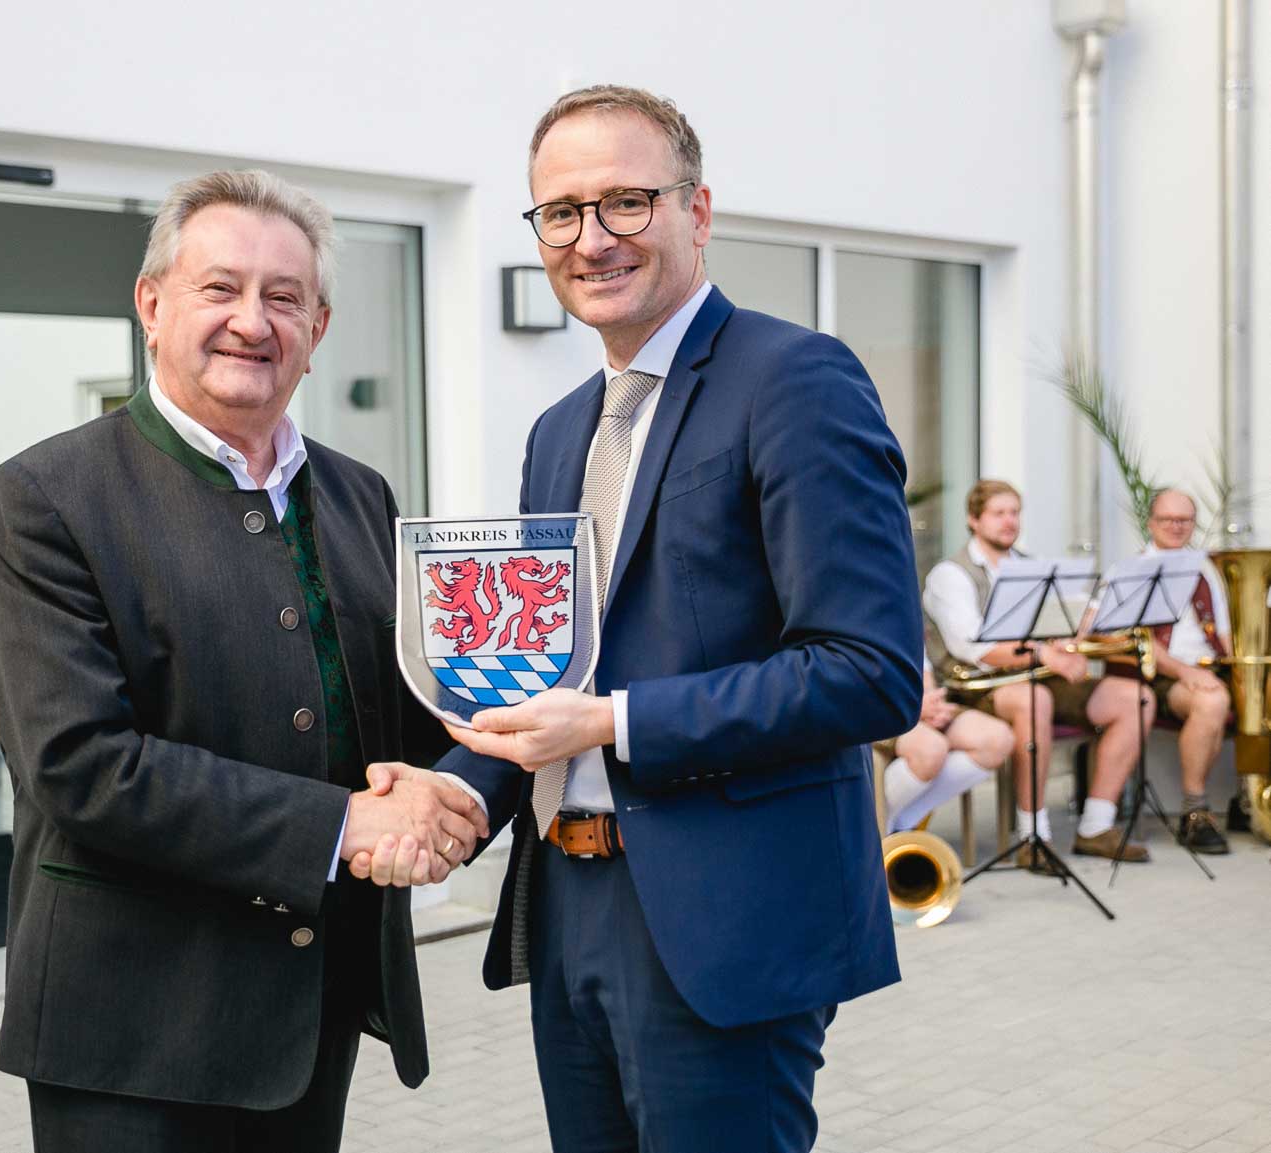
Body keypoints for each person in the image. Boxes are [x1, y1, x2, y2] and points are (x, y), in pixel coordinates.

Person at [361, 85, 922, 1153]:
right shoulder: (555, 429)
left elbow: (867, 670)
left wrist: (614, 723)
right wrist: (456, 776)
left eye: (627, 201)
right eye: (561, 212)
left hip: (722, 919)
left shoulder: (793, 379)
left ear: (696, 210)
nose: (592, 238)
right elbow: (545, 678)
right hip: (566, 899)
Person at [0, 169, 486, 1153]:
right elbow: (81, 766)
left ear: (318, 327)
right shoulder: (46, 498)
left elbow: (411, 711)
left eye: (282, 296)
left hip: (307, 1008)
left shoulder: (359, 496)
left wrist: (458, 782)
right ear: (153, 305)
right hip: (131, 1029)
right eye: (220, 288)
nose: (251, 320)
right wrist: (347, 822)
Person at [923, 479, 1154, 866]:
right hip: (977, 685)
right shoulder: (951, 574)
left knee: (1135, 699)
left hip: (1035, 675)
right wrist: (1048, 655)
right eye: (999, 513)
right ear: (973, 519)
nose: (1009, 521)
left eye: (1014, 512)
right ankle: (1033, 837)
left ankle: (1096, 826)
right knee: (1035, 701)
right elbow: (972, 648)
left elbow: (1057, 622)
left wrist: (1080, 633)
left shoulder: (1031, 567)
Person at [1139, 488, 1234, 853]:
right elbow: (1143, 642)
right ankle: (1194, 812)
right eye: (1168, 519)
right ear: (1151, 523)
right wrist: (1187, 673)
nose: (1177, 527)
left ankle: (1249, 803)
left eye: (1185, 520)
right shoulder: (1139, 569)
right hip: (1163, 675)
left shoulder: (1204, 566)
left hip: (1208, 668)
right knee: (1211, 703)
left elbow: (1221, 630)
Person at [879, 659, 1016, 832]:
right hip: (880, 709)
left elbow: (921, 663)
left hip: (914, 701)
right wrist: (913, 707)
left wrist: (931, 701)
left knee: (998, 740)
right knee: (930, 750)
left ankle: (904, 821)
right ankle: (881, 826)